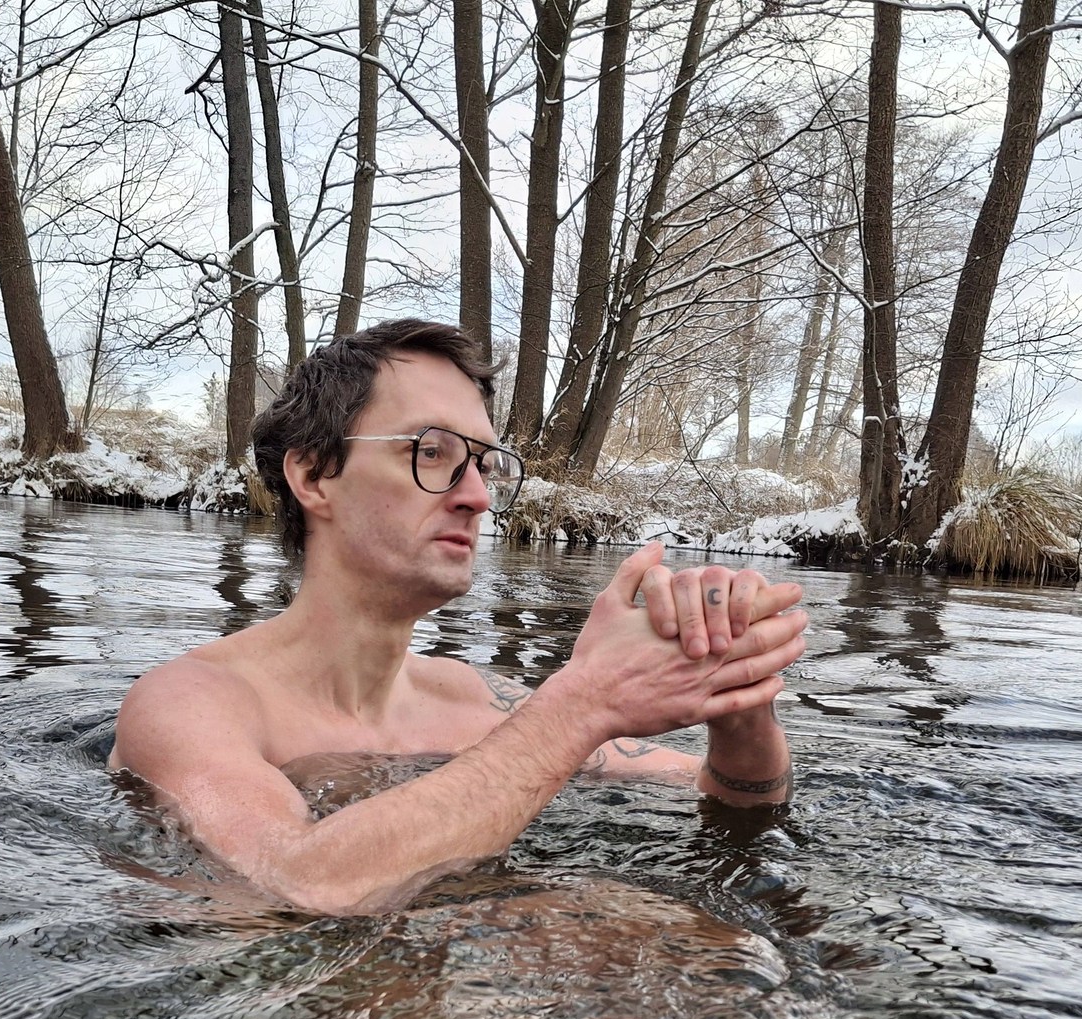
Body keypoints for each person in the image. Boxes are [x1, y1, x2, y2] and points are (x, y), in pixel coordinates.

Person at [109, 319, 811, 914]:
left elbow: (731, 797)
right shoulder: (191, 703)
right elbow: (292, 882)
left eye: (485, 463)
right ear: (314, 475)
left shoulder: (478, 701)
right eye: (431, 452)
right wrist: (584, 703)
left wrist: (737, 701)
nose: (476, 496)